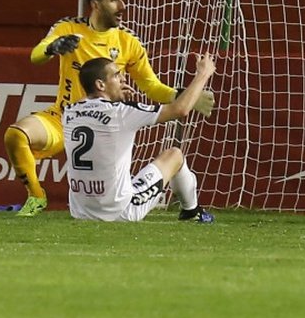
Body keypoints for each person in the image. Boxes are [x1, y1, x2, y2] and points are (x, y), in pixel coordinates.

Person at [4, 0, 215, 217]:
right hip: (63, 118)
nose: (122, 6)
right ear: (95, 4)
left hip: (100, 122)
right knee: (16, 135)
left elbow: (151, 86)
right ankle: (36, 196)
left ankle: (100, 207)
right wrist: (53, 48)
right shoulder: (67, 28)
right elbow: (36, 56)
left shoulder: (128, 41)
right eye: (114, 0)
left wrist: (179, 94)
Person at [63, 55, 217, 223]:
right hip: (121, 211)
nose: (123, 78)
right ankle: (192, 212)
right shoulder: (121, 112)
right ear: (100, 85)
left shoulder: (69, 112)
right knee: (174, 155)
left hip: (80, 211)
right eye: (116, 75)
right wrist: (203, 74)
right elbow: (180, 110)